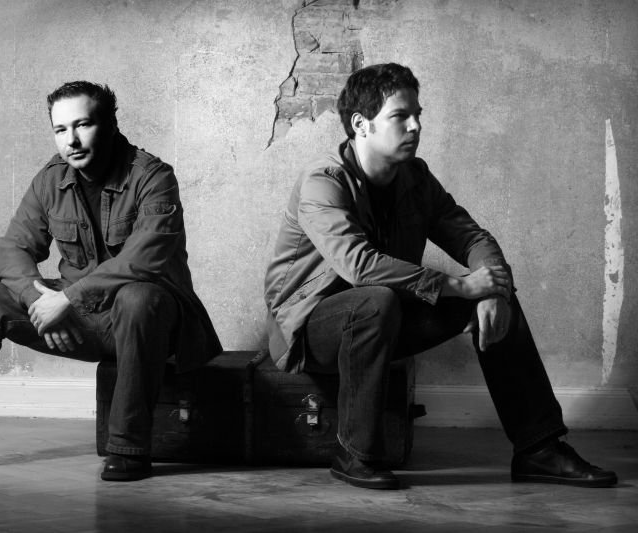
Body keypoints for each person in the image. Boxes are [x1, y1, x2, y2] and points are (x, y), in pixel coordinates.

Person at [263, 63, 617, 490]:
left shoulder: (414, 178)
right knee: (377, 300)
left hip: (385, 318)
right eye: (400, 116)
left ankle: (539, 448)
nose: (415, 126)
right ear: (361, 124)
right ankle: (354, 453)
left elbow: (471, 237)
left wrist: (491, 290)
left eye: (418, 114)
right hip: (309, 330)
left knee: (488, 293)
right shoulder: (323, 181)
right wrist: (459, 285)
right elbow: (360, 265)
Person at [0, 81, 222, 481]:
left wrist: (66, 300)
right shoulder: (51, 179)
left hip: (153, 323)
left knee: (138, 297)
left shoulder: (153, 176)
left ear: (110, 124)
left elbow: (144, 259)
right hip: (84, 319)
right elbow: (13, 250)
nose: (71, 140)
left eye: (82, 125)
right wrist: (40, 303)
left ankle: (129, 448)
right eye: (60, 129)